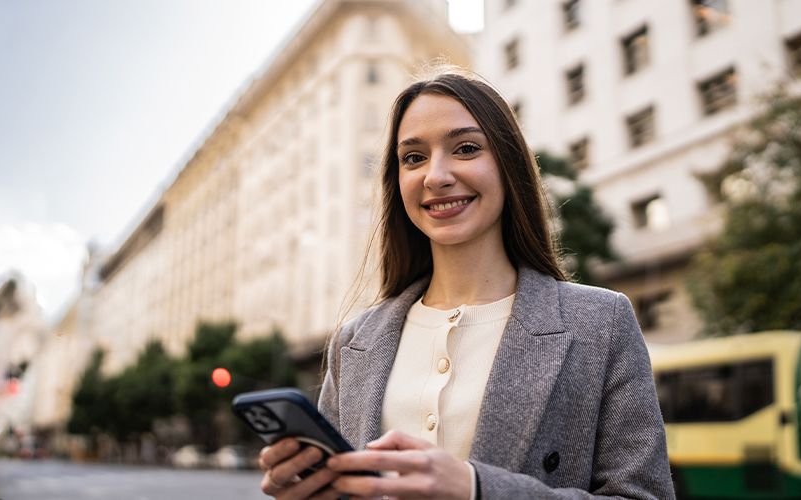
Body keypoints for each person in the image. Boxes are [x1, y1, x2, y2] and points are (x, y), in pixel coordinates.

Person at [258, 71, 673, 499]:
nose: (435, 176)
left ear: (508, 165)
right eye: (413, 158)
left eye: (466, 148)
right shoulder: (356, 341)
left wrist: (477, 489)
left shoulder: (601, 323)